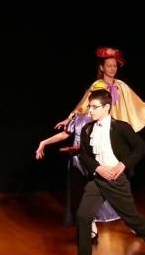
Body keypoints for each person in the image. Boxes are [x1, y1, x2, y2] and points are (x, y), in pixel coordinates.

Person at [72, 89, 145, 255]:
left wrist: (123, 165)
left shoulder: (120, 127)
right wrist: (98, 168)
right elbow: (84, 155)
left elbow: (140, 147)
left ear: (106, 107)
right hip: (97, 180)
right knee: (83, 216)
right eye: (90, 107)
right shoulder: (88, 129)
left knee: (132, 218)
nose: (90, 110)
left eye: (94, 107)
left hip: (116, 180)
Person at [35, 102, 119, 239]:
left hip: (93, 160)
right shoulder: (79, 117)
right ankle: (92, 227)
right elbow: (65, 134)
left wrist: (79, 148)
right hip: (77, 161)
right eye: (89, 103)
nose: (90, 107)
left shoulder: (100, 120)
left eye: (94, 105)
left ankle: (133, 222)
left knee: (102, 192)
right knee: (81, 194)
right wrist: (44, 142)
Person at [55, 47, 145, 132]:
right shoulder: (98, 85)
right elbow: (83, 105)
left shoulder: (120, 85)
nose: (112, 69)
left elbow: (138, 104)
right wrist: (69, 119)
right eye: (109, 66)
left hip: (117, 128)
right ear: (102, 67)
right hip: (101, 127)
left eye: (115, 66)